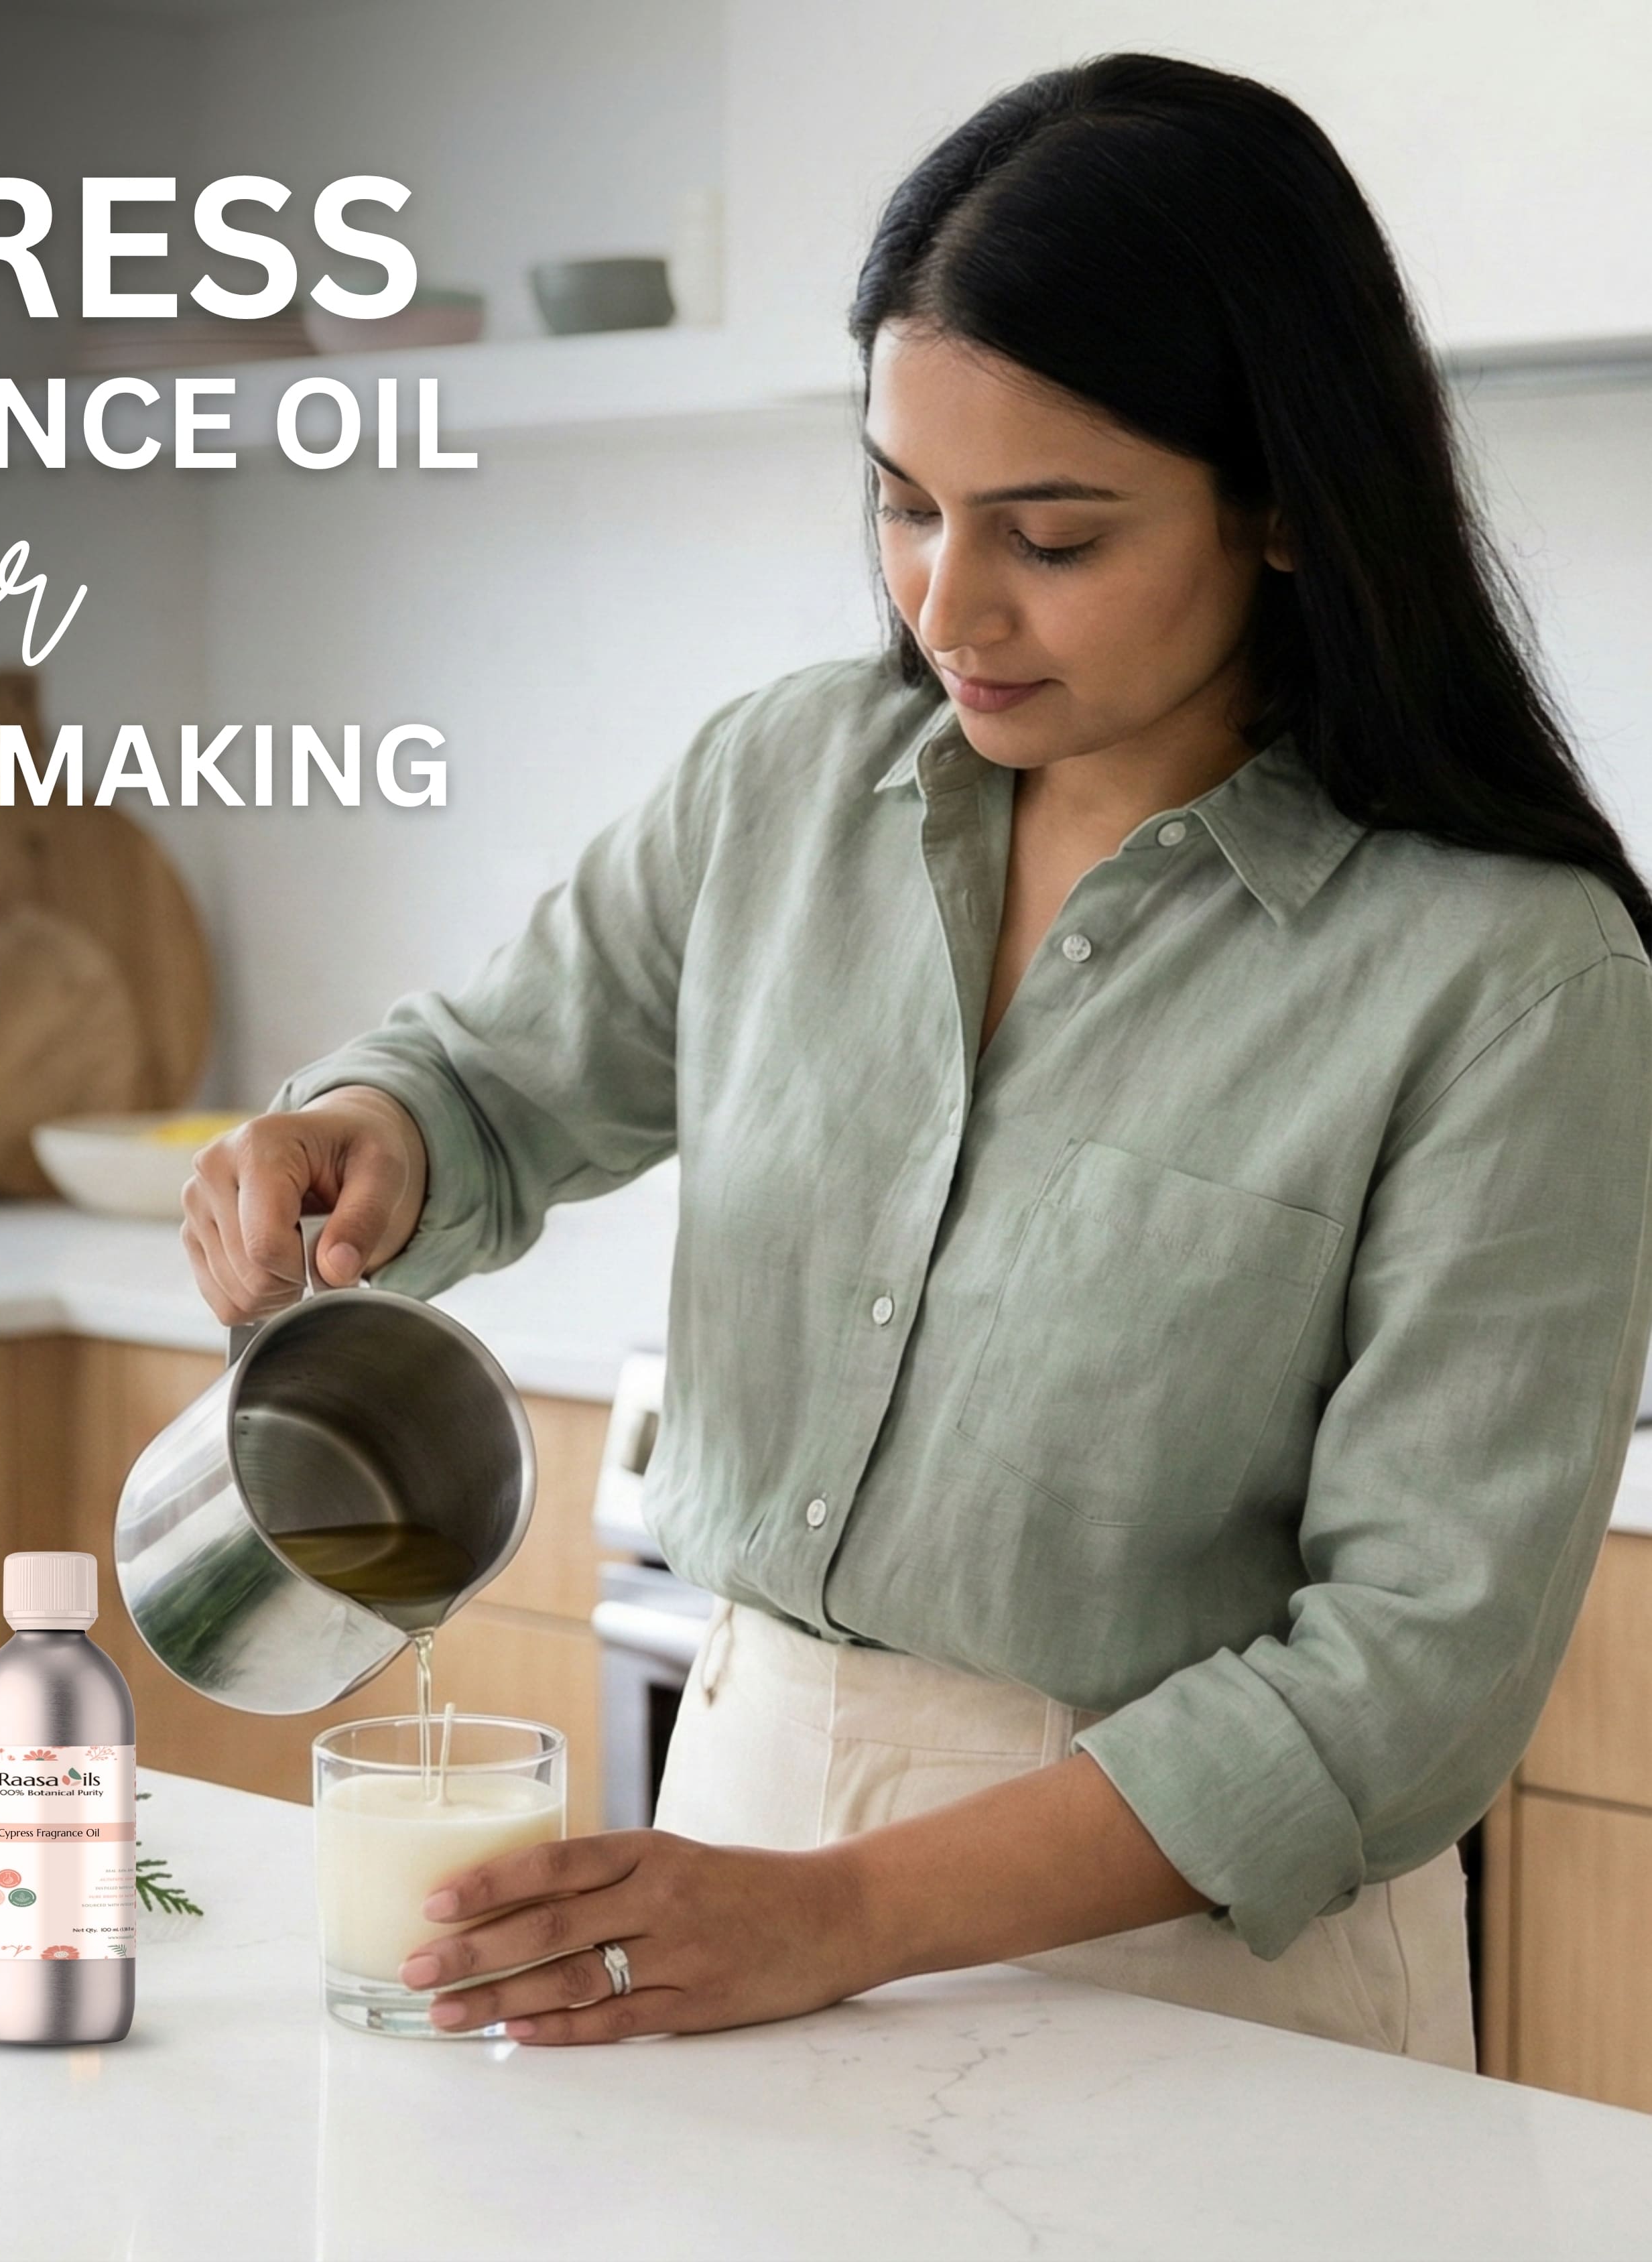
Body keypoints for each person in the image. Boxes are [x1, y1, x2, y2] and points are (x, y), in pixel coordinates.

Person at [180, 54, 1652, 2066]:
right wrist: (366, 1130)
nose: (949, 605)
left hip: (1189, 1976)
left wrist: (847, 1916)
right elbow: (497, 1078)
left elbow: (1406, 1681)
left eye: (1051, 536)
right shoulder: (786, 782)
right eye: (903, 503)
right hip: (731, 1855)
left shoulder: (1512, 976)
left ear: (1288, 508)